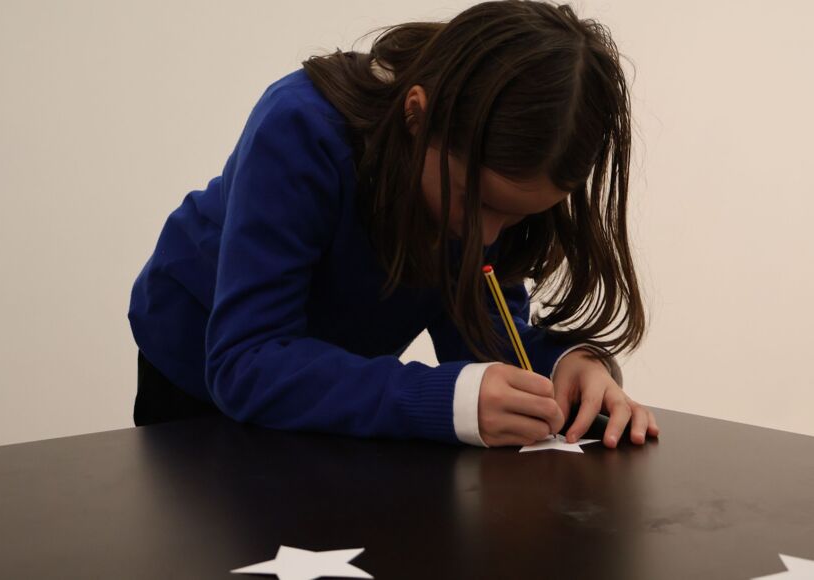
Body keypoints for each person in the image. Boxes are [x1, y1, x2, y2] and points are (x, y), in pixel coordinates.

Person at [128, 0, 660, 449]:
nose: (488, 237)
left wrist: (563, 366)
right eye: (480, 204)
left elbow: (480, 334)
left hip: (314, 382)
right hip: (196, 375)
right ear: (416, 116)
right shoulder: (300, 126)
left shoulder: (472, 184)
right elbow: (246, 362)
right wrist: (444, 399)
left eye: (518, 216)